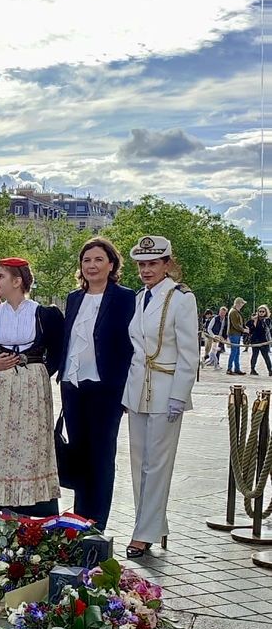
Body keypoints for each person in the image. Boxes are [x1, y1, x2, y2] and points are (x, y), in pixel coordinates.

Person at [0, 258, 64, 516]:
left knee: (29, 444)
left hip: (31, 389)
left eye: (1, 277)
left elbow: (58, 351)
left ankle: (30, 503)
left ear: (17, 281)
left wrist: (36, 371)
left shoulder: (44, 314)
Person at [122, 235, 199, 558]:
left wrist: (180, 395)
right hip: (138, 389)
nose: (146, 270)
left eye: (153, 263)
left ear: (167, 264)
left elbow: (189, 353)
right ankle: (152, 523)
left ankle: (144, 532)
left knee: (157, 465)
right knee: (140, 464)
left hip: (167, 390)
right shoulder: (141, 298)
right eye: (142, 264)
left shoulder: (181, 298)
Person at [58, 237, 135, 530]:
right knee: (79, 455)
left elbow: (130, 346)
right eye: (87, 260)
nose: (92, 265)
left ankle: (97, 524)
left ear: (111, 264)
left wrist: (126, 388)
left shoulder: (126, 297)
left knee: (102, 456)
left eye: (98, 260)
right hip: (72, 386)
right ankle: (79, 519)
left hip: (106, 388)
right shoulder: (73, 298)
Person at [248, 306, 272, 376]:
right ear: (257, 312)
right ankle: (252, 369)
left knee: (266, 356)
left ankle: (270, 370)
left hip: (264, 341)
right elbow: (249, 328)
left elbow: (269, 329)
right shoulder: (254, 319)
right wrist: (254, 321)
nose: (261, 313)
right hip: (255, 340)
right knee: (254, 355)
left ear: (265, 312)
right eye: (260, 311)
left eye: (263, 311)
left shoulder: (267, 320)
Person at [227, 297, 247, 374]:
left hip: (237, 334)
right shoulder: (233, 312)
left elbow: (239, 323)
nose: (242, 305)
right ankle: (229, 369)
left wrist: (244, 327)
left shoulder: (236, 311)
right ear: (238, 303)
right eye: (242, 303)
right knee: (234, 351)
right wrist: (243, 330)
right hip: (234, 334)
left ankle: (237, 368)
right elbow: (236, 325)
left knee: (237, 352)